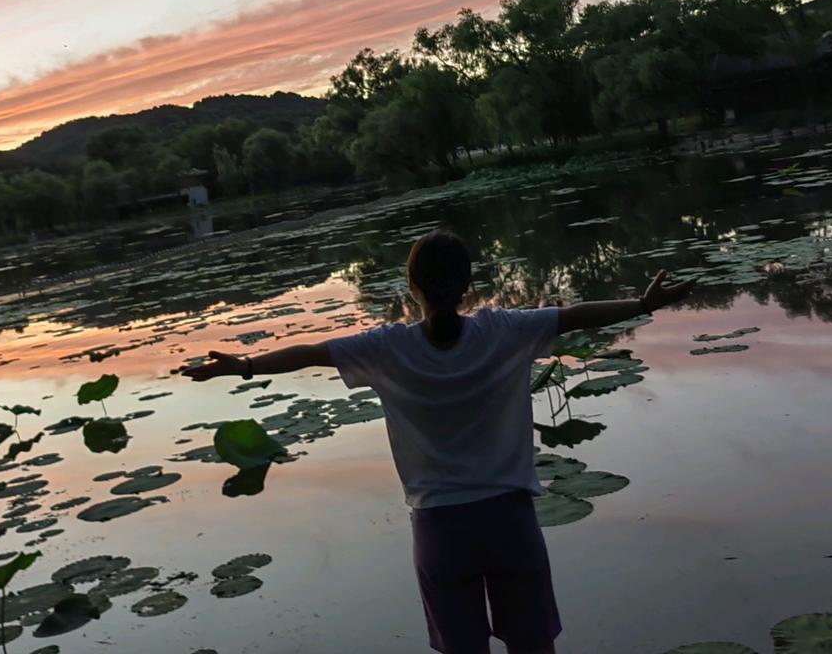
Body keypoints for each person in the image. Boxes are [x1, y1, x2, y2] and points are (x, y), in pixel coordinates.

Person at [181, 229, 697, 654]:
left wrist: (244, 365)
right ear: (468, 285)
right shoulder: (503, 331)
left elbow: (311, 352)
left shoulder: (388, 347)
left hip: (440, 530)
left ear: (411, 286)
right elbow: (577, 314)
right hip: (510, 521)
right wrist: (642, 304)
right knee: (534, 646)